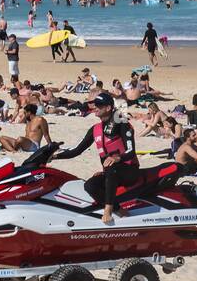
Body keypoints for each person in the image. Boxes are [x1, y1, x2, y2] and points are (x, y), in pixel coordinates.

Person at [51, 92, 141, 224]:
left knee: (112, 169)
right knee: (90, 185)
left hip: (129, 170)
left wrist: (117, 159)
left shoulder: (121, 122)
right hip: (111, 172)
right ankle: (119, 209)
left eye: (99, 105)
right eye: (94, 105)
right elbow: (76, 150)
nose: (95, 108)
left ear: (109, 108)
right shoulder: (95, 129)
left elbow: (131, 151)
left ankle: (108, 211)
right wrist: (54, 156)